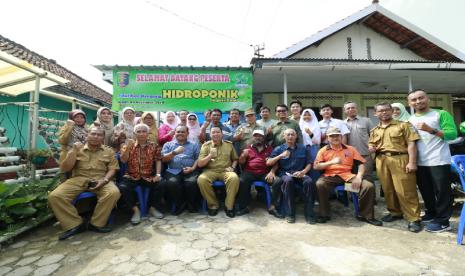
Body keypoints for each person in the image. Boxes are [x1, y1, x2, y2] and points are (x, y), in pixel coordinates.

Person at [48, 127, 120, 240]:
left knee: (113, 192)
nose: (96, 137)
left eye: (99, 135)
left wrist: (104, 180)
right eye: (93, 134)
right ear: (87, 135)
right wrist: (73, 151)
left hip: (100, 178)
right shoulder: (76, 148)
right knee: (55, 196)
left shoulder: (108, 151)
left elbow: (112, 169)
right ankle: (75, 224)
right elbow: (65, 168)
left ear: (103, 138)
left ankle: (96, 224)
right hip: (78, 179)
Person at [408, 89, 457, 232]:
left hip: (439, 160)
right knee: (426, 190)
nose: (418, 101)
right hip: (420, 162)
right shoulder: (410, 120)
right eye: (414, 100)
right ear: (409, 103)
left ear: (427, 98)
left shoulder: (440, 114)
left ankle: (443, 221)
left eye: (420, 98)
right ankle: (431, 213)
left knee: (442, 191)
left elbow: (452, 135)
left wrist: (431, 130)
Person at [368, 102, 422, 232]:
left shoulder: (404, 125)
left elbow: (411, 144)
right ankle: (395, 212)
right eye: (380, 111)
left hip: (400, 159)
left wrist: (412, 162)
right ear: (375, 113)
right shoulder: (375, 130)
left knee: (406, 190)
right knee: (388, 189)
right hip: (382, 160)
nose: (384, 112)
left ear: (392, 111)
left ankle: (414, 218)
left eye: (387, 110)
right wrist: (371, 148)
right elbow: (371, 144)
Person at [314, 127, 382, 226]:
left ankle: (366, 215)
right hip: (330, 177)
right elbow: (316, 166)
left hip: (348, 177)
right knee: (320, 184)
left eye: (337, 135)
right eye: (332, 136)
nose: (335, 138)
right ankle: (324, 214)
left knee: (368, 186)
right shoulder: (323, 150)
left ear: (341, 136)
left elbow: (361, 164)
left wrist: (358, 177)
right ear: (328, 138)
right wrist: (331, 162)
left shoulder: (350, 149)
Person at [266, 128, 315, 224]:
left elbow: (309, 163)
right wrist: (280, 156)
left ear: (296, 136)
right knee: (288, 181)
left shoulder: (303, 148)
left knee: (309, 182)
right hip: (285, 173)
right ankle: (290, 213)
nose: (290, 136)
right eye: (288, 134)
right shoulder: (279, 149)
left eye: (292, 134)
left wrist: (304, 171)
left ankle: (309, 214)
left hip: (300, 173)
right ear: (283, 136)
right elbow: (269, 162)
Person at [119, 124, 164, 225]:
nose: (141, 134)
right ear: (134, 134)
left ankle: (152, 208)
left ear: (148, 133)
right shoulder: (128, 145)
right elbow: (123, 160)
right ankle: (135, 210)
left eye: (144, 131)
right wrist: (128, 148)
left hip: (148, 176)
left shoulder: (154, 146)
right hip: (132, 176)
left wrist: (158, 174)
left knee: (162, 184)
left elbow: (158, 160)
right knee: (123, 187)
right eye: (138, 132)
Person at [197, 127, 239, 217]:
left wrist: (232, 167)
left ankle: (229, 206)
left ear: (222, 134)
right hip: (210, 171)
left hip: (225, 170)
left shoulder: (229, 145)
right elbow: (200, 164)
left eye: (218, 132)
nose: (215, 134)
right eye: (213, 132)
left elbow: (235, 159)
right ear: (210, 135)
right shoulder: (205, 146)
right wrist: (209, 156)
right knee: (201, 179)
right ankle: (213, 205)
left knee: (234, 177)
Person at [161, 125, 201, 214]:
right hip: (173, 170)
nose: (180, 133)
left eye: (183, 132)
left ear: (187, 133)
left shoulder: (194, 144)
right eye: (178, 131)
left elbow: (198, 158)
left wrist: (192, 168)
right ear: (175, 133)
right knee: (172, 183)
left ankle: (191, 204)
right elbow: (163, 159)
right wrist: (174, 152)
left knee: (191, 183)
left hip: (191, 169)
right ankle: (180, 204)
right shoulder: (168, 144)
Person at [236, 129, 274, 215]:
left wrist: (272, 172)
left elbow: (275, 162)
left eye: (260, 136)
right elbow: (241, 162)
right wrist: (242, 156)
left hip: (264, 173)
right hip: (249, 172)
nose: (258, 138)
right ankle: (243, 206)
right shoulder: (248, 148)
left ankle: (273, 206)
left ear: (264, 137)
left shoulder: (270, 149)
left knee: (277, 181)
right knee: (242, 181)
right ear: (253, 137)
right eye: (256, 136)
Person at [343, 101, 375, 181]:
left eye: (353, 107)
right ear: (345, 111)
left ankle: (369, 193)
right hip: (350, 157)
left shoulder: (366, 121)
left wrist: (372, 147)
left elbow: (374, 136)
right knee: (351, 178)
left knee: (367, 178)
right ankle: (353, 194)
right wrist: (346, 156)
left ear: (357, 109)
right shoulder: (342, 123)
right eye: (348, 108)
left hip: (365, 155)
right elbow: (343, 143)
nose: (351, 109)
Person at [58, 109, 88, 180]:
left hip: (82, 156)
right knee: (67, 177)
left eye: (82, 117)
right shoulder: (66, 127)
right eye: (76, 117)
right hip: (68, 155)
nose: (79, 119)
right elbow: (62, 141)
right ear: (71, 118)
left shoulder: (86, 129)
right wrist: (70, 127)